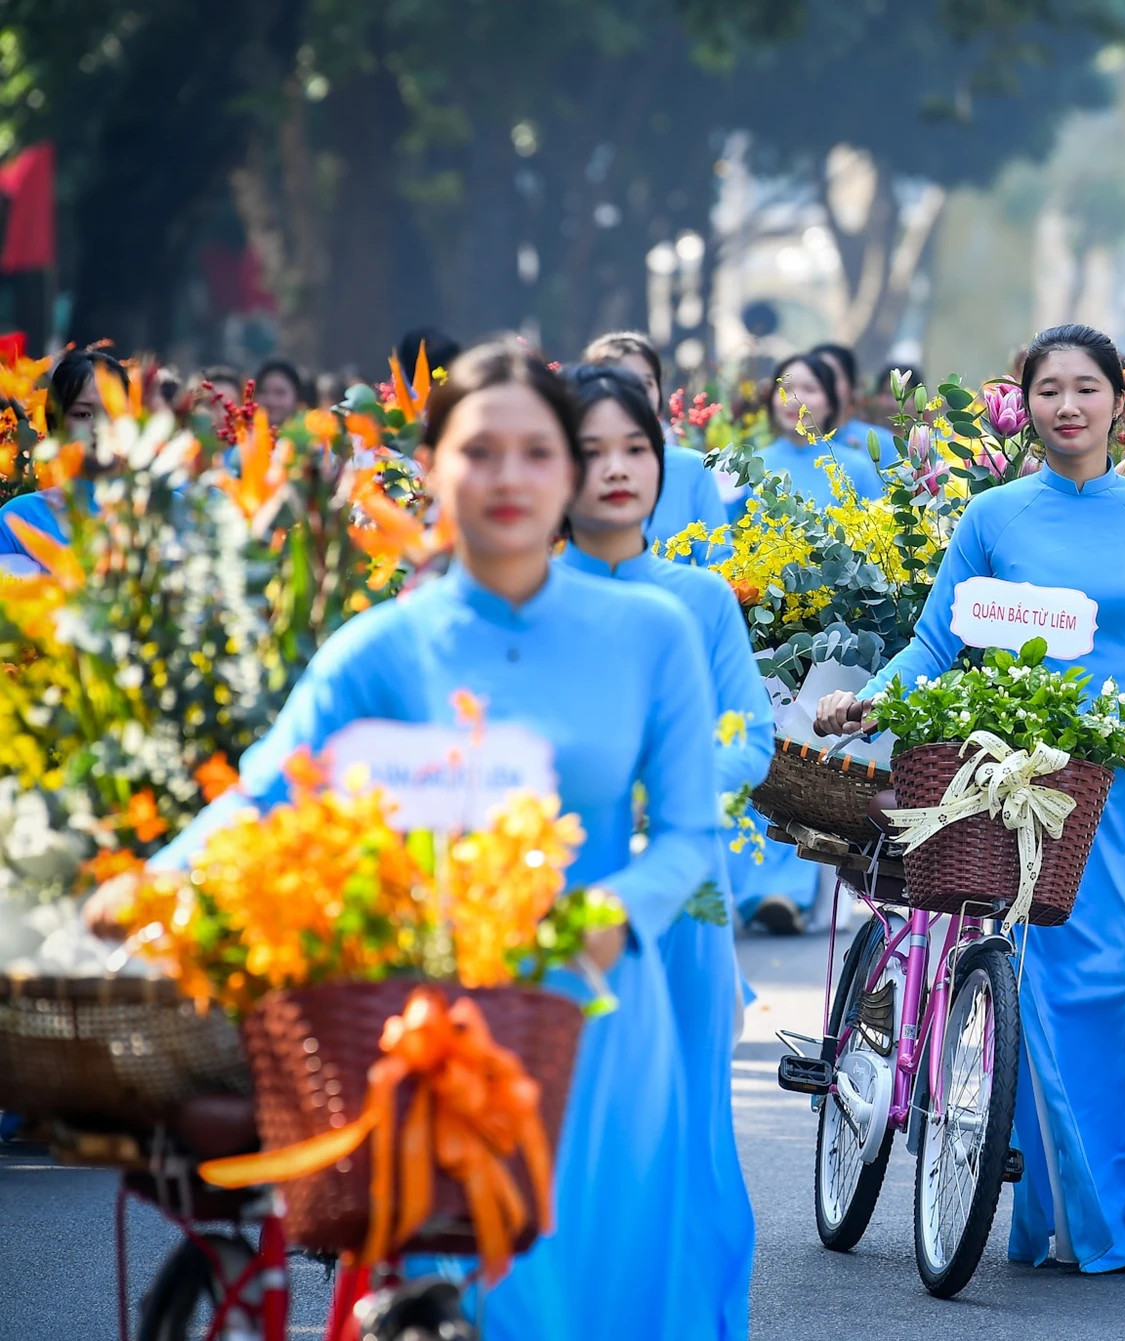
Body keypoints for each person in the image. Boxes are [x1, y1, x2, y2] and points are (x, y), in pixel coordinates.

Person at [122, 342, 726, 1341]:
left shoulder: (652, 634)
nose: (507, 477)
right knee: (459, 1301)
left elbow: (689, 836)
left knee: (602, 1307)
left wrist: (611, 912)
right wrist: (147, 885)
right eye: (477, 451)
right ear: (434, 470)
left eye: (537, 452)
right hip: (416, 1033)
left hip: (594, 1026)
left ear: (569, 474)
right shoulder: (383, 646)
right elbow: (266, 791)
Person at [816, 323, 1125, 1273]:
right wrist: (868, 701)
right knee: (1054, 998)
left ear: (1120, 402)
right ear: (1025, 402)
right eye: (1049, 388)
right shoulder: (994, 517)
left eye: (1086, 388)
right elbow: (935, 645)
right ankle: (1092, 1207)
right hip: (1022, 783)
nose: (1068, 405)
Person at [553, 362, 758, 1339]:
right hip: (551, 892)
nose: (615, 470)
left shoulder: (699, 599)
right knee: (563, 1120)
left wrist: (674, 797)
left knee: (681, 1118)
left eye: (635, 448)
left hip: (682, 893)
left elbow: (749, 737)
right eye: (588, 451)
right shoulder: (523, 595)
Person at [579, 332, 726, 556]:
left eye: (646, 383)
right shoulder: (572, 466)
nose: (636, 393)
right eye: (622, 381)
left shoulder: (692, 468)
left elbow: (719, 560)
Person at [0, 346, 120, 571]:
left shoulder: (170, 510)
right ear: (56, 424)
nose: (98, 427)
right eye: (83, 414)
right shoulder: (18, 520)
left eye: (111, 412)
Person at [752, 351, 883, 513]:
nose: (795, 399)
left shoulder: (856, 468)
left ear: (831, 403)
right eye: (785, 389)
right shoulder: (753, 465)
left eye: (810, 389)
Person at [809, 341, 895, 466]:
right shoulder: (790, 445)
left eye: (831, 377)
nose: (824, 385)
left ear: (852, 386)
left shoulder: (883, 444)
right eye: (818, 377)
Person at [249, 357, 309, 425]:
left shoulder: (316, 433)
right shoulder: (241, 433)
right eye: (263, 391)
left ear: (297, 397)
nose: (271, 401)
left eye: (280, 393)